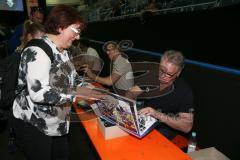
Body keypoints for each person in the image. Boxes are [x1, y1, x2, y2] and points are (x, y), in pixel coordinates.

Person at [12, 5, 105, 160]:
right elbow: (39, 93)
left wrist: (89, 89)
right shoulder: (38, 51)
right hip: (35, 126)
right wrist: (77, 96)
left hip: (57, 123)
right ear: (60, 27)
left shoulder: (64, 53)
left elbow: (74, 79)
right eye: (75, 31)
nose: (78, 37)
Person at [132, 50, 194, 140]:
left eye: (169, 74)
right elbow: (130, 94)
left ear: (178, 73)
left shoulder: (184, 90)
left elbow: (186, 127)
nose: (162, 76)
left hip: (163, 128)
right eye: (161, 70)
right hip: (142, 120)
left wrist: (157, 114)